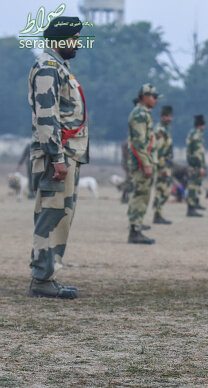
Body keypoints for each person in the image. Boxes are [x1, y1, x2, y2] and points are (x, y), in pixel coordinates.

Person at [27, 16, 87, 299]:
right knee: (50, 217)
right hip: (56, 157)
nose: (77, 43)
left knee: (59, 218)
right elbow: (47, 117)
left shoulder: (60, 67)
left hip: (65, 154)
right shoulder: (48, 68)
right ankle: (41, 279)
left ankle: (47, 276)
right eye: (74, 37)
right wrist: (57, 157)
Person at [127, 84, 160, 244]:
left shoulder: (144, 113)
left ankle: (137, 227)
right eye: (153, 96)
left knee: (143, 196)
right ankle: (134, 230)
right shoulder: (140, 114)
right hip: (141, 164)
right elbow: (138, 142)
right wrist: (146, 164)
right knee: (140, 196)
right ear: (144, 97)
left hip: (145, 161)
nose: (155, 99)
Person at [152, 105, 174, 224]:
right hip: (162, 166)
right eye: (167, 116)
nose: (170, 119)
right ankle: (157, 214)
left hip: (167, 165)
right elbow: (159, 150)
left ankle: (159, 213)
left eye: (170, 116)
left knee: (165, 191)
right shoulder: (160, 130)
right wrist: (162, 167)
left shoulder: (165, 130)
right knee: (161, 190)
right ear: (162, 117)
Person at [186, 114, 207, 217]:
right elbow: (198, 153)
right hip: (195, 165)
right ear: (201, 125)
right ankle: (191, 208)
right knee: (193, 187)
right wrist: (201, 166)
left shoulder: (192, 133)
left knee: (194, 186)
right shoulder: (197, 135)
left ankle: (194, 205)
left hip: (192, 164)